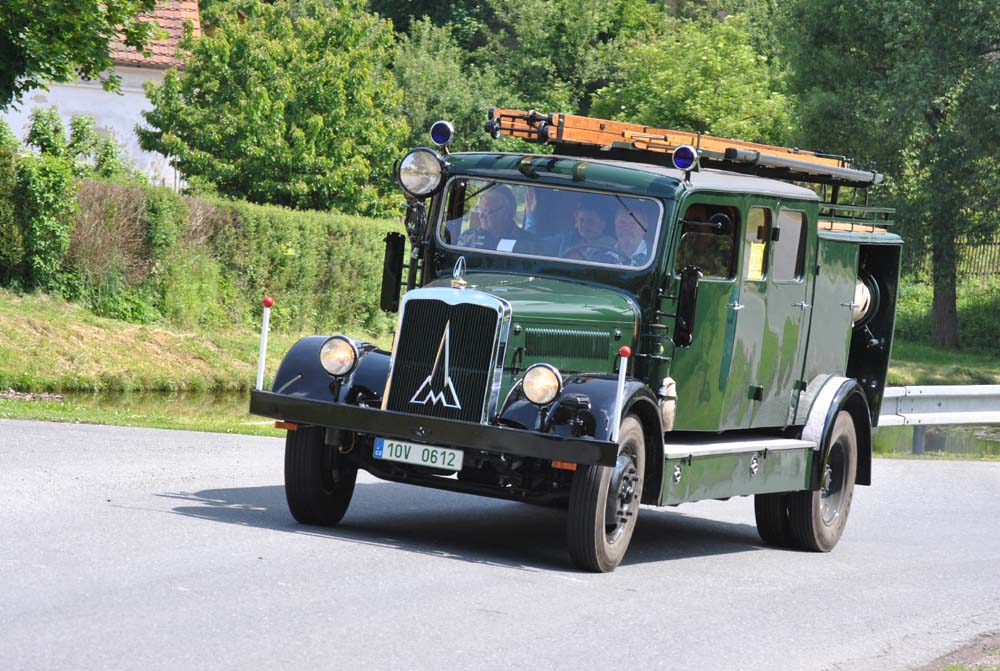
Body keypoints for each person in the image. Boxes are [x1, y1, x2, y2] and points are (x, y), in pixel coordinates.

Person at [457, 184, 538, 252]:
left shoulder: (528, 244)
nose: (481, 216)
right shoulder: (468, 238)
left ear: (505, 213)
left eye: (486, 211)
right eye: (480, 210)